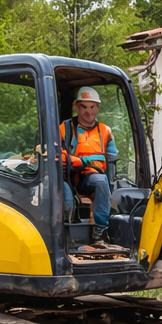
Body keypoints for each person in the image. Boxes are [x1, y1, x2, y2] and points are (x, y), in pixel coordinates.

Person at [60, 88, 118, 245]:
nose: (88, 112)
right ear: (78, 107)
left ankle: (100, 232)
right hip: (69, 177)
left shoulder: (105, 131)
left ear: (97, 108)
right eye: (84, 107)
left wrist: (110, 186)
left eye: (92, 107)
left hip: (91, 178)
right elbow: (56, 154)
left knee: (101, 180)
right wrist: (74, 161)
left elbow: (111, 158)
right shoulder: (64, 128)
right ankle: (66, 236)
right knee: (64, 192)